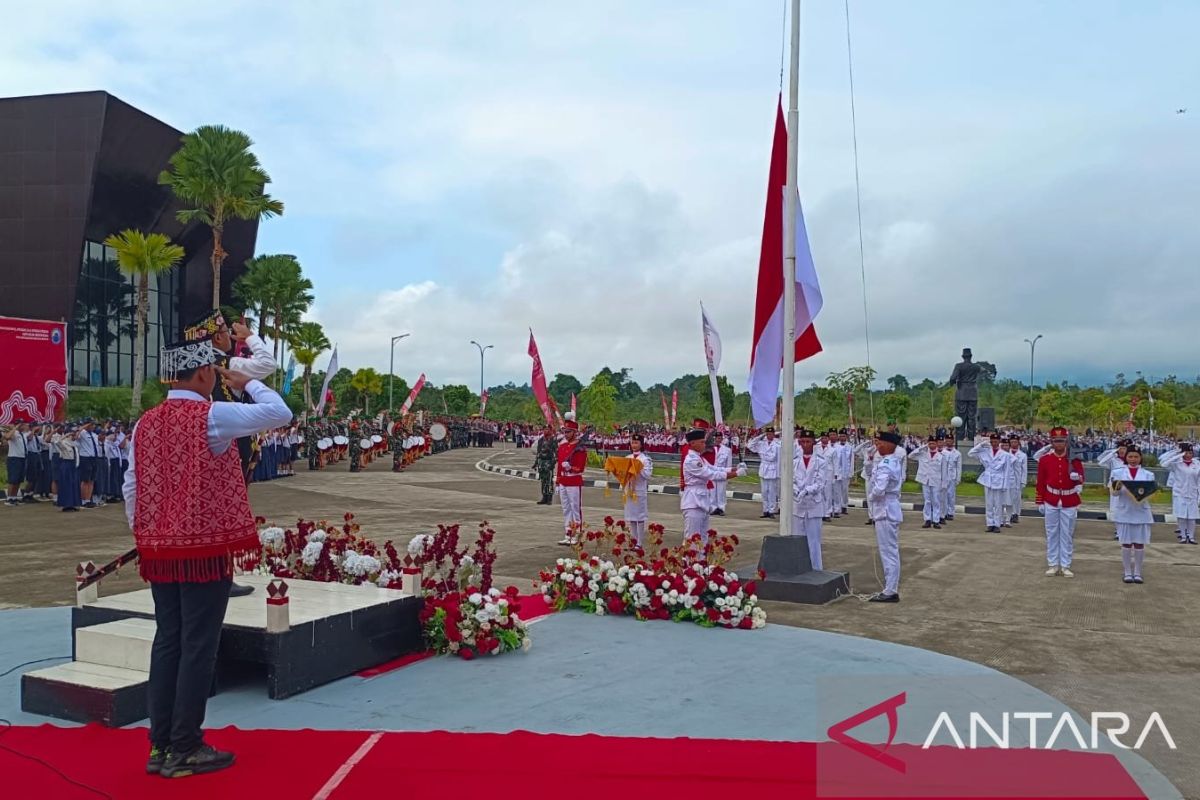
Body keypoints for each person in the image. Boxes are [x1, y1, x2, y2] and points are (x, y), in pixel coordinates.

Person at [123, 338, 291, 778]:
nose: (217, 378)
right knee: (198, 646)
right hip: (203, 552)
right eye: (215, 372)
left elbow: (131, 489)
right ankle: (186, 745)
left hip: (159, 553)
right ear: (201, 374)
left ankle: (160, 745)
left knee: (168, 641)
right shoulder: (211, 415)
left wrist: (147, 535)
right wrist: (251, 382)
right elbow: (280, 414)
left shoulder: (145, 423)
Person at [1034, 427, 1085, 577]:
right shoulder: (1045, 460)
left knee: (1067, 534)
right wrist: (1040, 501)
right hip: (1051, 499)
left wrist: (1078, 479)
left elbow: (1081, 478)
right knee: (1051, 533)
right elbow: (1041, 482)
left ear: (1066, 442)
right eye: (1056, 441)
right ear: (1051, 442)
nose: (1059, 444)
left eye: (1062, 441)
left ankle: (1065, 565)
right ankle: (1053, 564)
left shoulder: (1074, 460)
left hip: (1069, 499)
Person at [681, 425, 740, 545]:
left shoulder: (699, 458)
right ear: (692, 443)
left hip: (702, 499)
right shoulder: (692, 460)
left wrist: (733, 469)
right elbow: (710, 474)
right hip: (693, 500)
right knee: (692, 538)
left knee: (703, 538)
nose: (705, 444)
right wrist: (736, 474)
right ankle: (690, 563)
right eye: (702, 442)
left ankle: (701, 562)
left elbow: (714, 468)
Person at [868, 430, 905, 602]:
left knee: (888, 551)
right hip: (889, 508)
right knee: (890, 550)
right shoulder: (891, 461)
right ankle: (890, 588)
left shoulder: (886, 463)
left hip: (885, 510)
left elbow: (879, 489)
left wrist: (871, 497)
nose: (877, 446)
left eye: (880, 443)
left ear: (889, 445)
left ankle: (890, 590)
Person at [1109, 446, 1154, 584]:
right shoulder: (1117, 472)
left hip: (1141, 512)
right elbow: (1114, 493)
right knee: (1126, 543)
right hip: (1125, 511)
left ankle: (1138, 572)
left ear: (1140, 458)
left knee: (1139, 544)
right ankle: (1127, 572)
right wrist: (1117, 487)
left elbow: (1150, 494)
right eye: (1130, 456)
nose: (1133, 459)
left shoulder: (1148, 474)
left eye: (1136, 456)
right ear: (1126, 458)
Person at [791, 428, 829, 570]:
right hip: (798, 504)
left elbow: (820, 483)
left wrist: (806, 490)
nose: (805, 444)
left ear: (814, 442)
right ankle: (798, 568)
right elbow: (791, 479)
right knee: (797, 539)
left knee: (814, 540)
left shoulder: (820, 461)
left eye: (808, 441)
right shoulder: (795, 461)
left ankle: (816, 569)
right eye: (803, 441)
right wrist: (795, 490)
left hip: (814, 504)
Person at [969, 431, 1012, 532]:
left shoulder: (1005, 455)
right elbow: (970, 453)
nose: (994, 443)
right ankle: (990, 524)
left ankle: (997, 524)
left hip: (999, 480)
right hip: (987, 480)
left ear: (999, 442)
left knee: (998, 504)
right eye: (992, 441)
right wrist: (981, 444)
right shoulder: (985, 451)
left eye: (996, 441)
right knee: (989, 504)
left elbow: (1007, 471)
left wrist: (1005, 485)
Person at [1160, 443, 1200, 545]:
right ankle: (1183, 536)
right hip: (1180, 493)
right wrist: (1178, 454)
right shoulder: (1177, 464)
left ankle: (1191, 537)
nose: (1189, 455)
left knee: (1192, 517)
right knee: (1181, 516)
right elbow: (1163, 463)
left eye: (1190, 453)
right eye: (1186, 452)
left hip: (1192, 493)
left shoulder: (1197, 464)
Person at [556, 420, 588, 545]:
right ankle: (568, 533)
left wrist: (571, 467)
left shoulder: (580, 447)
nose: (566, 434)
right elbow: (559, 465)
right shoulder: (562, 446)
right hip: (564, 480)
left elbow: (580, 467)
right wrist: (558, 482)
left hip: (573, 480)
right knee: (566, 509)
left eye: (569, 432)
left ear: (575, 432)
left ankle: (576, 534)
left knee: (575, 508)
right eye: (565, 432)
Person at [909, 435, 944, 529]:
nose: (931, 445)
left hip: (936, 480)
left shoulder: (941, 456)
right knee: (927, 501)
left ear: (936, 444)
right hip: (925, 480)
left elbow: (944, 471)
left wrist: (944, 483)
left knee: (936, 500)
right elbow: (910, 456)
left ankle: (936, 521)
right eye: (930, 443)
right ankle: (927, 520)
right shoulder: (923, 453)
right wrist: (922, 447)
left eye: (933, 443)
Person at [624, 433, 653, 546]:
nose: (634, 445)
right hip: (629, 490)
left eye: (636, 443)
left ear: (641, 444)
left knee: (640, 517)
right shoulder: (627, 458)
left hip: (639, 490)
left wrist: (638, 468)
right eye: (632, 442)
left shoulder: (645, 459)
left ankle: (639, 543)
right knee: (631, 516)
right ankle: (633, 540)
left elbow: (648, 475)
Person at [747, 427, 781, 518]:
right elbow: (750, 445)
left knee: (772, 492)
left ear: (774, 434)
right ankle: (765, 510)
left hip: (773, 469)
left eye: (771, 434)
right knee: (764, 491)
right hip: (763, 469)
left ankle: (771, 511)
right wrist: (760, 436)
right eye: (767, 434)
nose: (769, 435)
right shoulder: (762, 444)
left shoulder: (778, 444)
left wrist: (779, 473)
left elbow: (779, 460)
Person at [1097, 441, 1128, 541]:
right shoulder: (1113, 459)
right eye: (1121, 448)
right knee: (1115, 509)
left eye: (1125, 448)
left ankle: (1123, 531)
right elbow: (1100, 462)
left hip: (1128, 487)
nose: (1123, 450)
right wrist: (1113, 452)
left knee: (1126, 510)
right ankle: (1119, 531)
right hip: (1115, 486)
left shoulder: (1130, 459)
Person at [1004, 435, 1028, 526]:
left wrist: (1023, 481)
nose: (1013, 443)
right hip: (1007, 479)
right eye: (1012, 441)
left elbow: (1024, 469)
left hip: (1018, 480)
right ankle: (1007, 516)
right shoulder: (1006, 453)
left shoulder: (1022, 455)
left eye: (1015, 441)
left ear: (1018, 443)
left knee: (1017, 498)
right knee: (1007, 497)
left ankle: (1016, 514)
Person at [4, 423, 29, 506]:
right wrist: (15, 428)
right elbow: (7, 437)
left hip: (22, 458)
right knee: (13, 480)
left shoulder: (23, 435)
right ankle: (9, 498)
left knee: (18, 480)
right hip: (14, 458)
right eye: (22, 425)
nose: (24, 426)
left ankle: (14, 498)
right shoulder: (13, 432)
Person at [710, 430, 732, 516]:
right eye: (717, 438)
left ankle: (721, 508)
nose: (718, 440)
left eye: (720, 438)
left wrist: (728, 475)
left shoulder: (727, 450)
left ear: (722, 439)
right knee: (712, 491)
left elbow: (728, 464)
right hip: (712, 472)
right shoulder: (710, 448)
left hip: (722, 472)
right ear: (714, 438)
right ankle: (713, 508)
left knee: (721, 491)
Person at [533, 426, 557, 505]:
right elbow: (538, 453)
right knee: (543, 481)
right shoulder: (540, 440)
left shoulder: (553, 440)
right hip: (542, 463)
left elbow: (556, 454)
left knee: (549, 481)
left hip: (549, 462)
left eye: (547, 429)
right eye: (544, 429)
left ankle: (549, 498)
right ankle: (544, 497)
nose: (545, 431)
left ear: (550, 430)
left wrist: (553, 463)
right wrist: (536, 463)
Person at [941, 436, 961, 521]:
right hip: (943, 476)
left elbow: (959, 467)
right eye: (947, 440)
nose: (948, 442)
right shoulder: (942, 452)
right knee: (943, 495)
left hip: (952, 476)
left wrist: (958, 478)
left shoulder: (957, 453)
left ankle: (950, 513)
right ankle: (944, 512)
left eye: (950, 440)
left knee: (951, 495)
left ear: (953, 441)